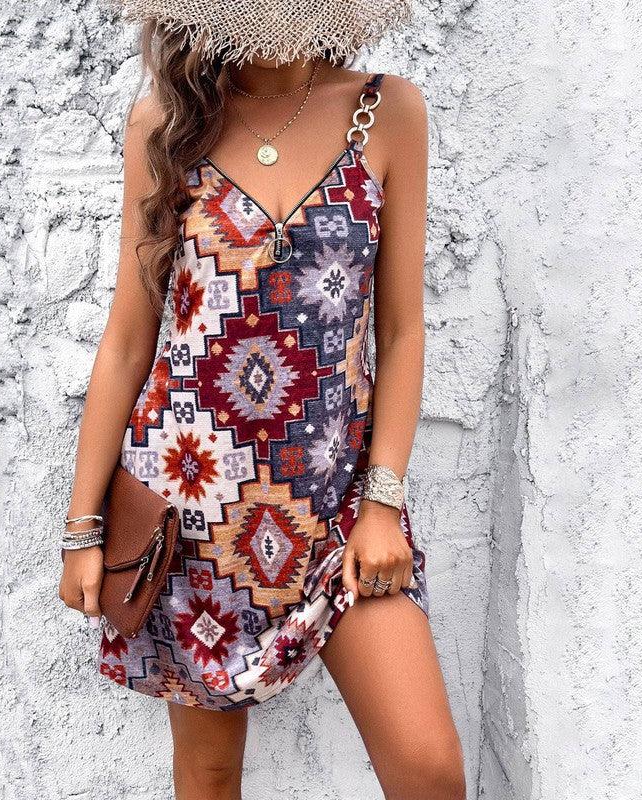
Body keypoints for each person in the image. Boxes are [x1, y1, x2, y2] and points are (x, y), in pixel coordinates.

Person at [59, 3, 466, 798]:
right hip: (192, 513)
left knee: (428, 768)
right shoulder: (166, 125)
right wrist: (83, 529)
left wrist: (383, 502)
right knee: (210, 778)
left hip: (338, 508)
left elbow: (402, 331)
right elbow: (129, 340)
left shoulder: (387, 111)